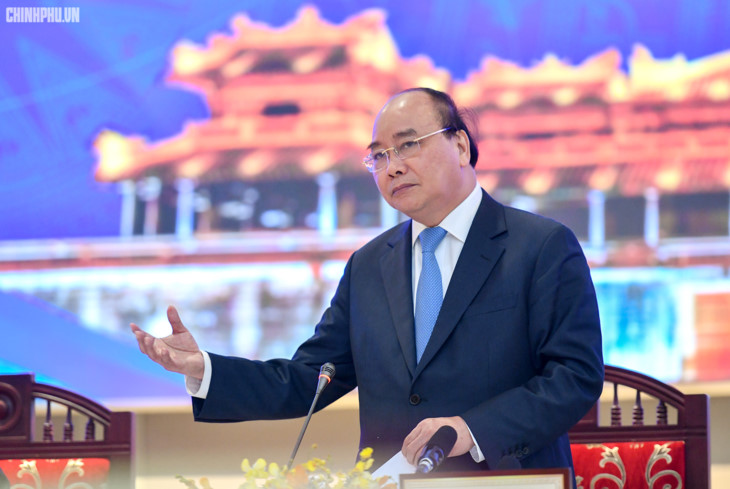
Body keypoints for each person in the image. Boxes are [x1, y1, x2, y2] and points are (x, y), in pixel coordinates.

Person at [131, 87, 603, 474]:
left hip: (505, 480)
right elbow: (309, 378)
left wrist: (473, 429)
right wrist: (204, 370)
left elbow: (574, 377)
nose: (392, 166)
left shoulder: (540, 246)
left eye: (409, 145)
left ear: (461, 146)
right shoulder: (369, 266)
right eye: (378, 156)